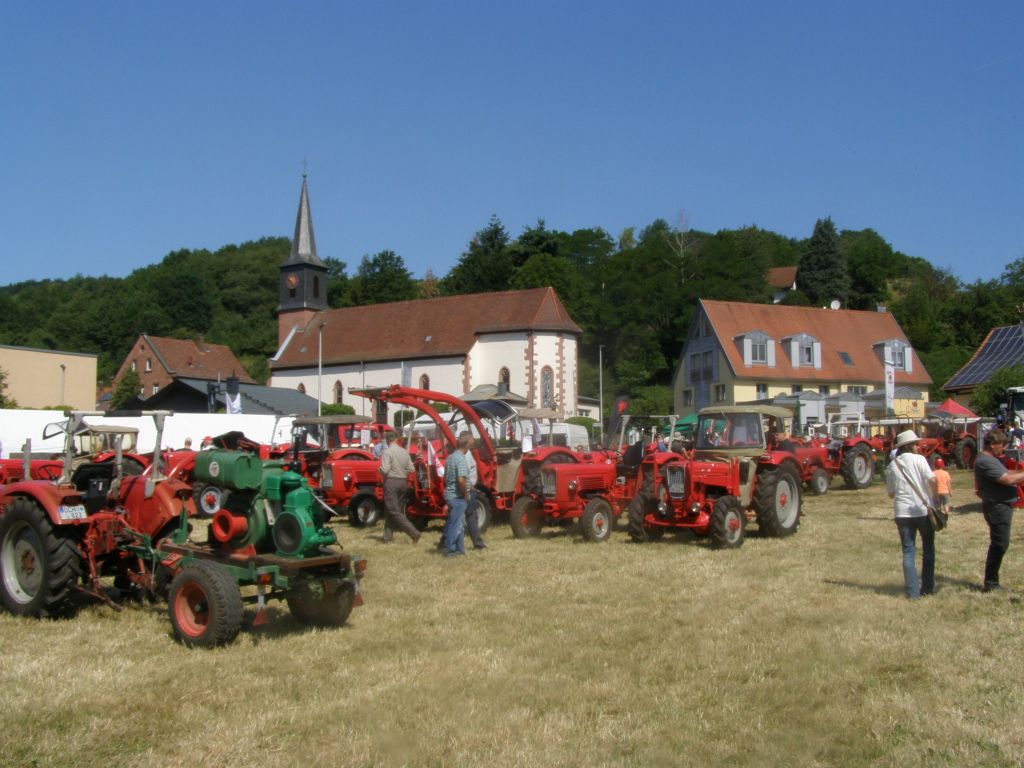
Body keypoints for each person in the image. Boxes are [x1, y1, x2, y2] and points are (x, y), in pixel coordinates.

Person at [885, 429, 938, 599]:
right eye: (915, 443)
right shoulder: (920, 460)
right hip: (922, 509)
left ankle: (912, 592)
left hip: (902, 512)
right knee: (928, 548)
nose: (918, 446)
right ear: (910, 445)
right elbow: (932, 480)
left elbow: (891, 493)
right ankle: (928, 588)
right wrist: (936, 499)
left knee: (908, 552)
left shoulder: (892, 465)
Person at [974, 428, 1024, 592]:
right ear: (992, 444)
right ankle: (991, 583)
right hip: (997, 507)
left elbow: (1007, 473)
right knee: (1000, 544)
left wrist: (1021, 473)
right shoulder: (985, 461)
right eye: (1001, 445)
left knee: (1000, 543)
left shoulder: (991, 459)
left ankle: (991, 581)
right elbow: (1007, 479)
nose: (1003, 449)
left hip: (1000, 506)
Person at [378, 433, 420, 544]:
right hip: (403, 483)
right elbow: (411, 469)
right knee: (390, 510)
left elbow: (385, 470)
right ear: (396, 440)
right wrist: (401, 472)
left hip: (391, 482)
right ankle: (387, 537)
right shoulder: (404, 452)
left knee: (394, 511)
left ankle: (414, 533)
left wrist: (380, 470)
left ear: (387, 441)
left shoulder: (387, 452)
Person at [441, 432, 471, 557]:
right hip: (457, 496)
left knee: (458, 523)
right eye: (471, 444)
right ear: (467, 444)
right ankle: (451, 550)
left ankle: (459, 549)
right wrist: (465, 494)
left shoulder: (451, 457)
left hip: (450, 494)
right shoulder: (461, 459)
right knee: (455, 524)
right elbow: (461, 480)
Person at [461, 432, 487, 550]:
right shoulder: (465, 456)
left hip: (466, 488)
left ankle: (444, 541)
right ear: (467, 441)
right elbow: (463, 474)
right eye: (472, 438)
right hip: (467, 489)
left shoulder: (465, 454)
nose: (474, 440)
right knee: (471, 516)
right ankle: (478, 543)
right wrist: (469, 486)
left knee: (456, 517)